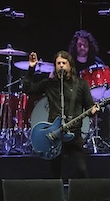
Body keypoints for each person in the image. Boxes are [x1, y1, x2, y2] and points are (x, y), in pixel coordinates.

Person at [23, 50, 101, 178]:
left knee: (81, 171)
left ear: (70, 65)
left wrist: (93, 111)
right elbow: (28, 89)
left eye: (64, 63)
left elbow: (89, 107)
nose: (61, 65)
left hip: (74, 136)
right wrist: (31, 68)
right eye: (58, 63)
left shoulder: (81, 84)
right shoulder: (49, 84)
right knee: (54, 175)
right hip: (54, 135)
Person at [69, 29, 110, 143]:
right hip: (75, 100)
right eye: (79, 45)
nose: (82, 47)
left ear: (89, 46)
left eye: (85, 45)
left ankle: (109, 141)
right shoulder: (70, 63)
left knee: (107, 108)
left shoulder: (97, 62)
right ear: (75, 46)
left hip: (95, 100)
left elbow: (104, 84)